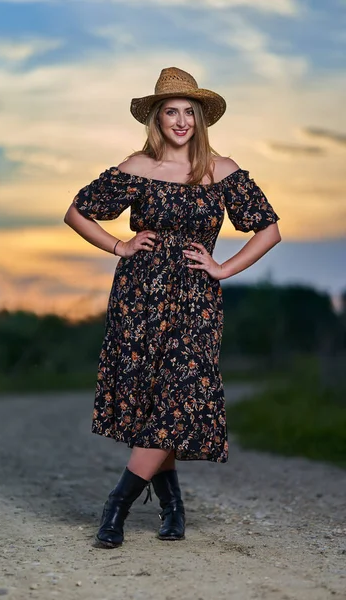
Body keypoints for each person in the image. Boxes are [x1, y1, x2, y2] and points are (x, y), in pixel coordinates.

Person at [64, 66, 281, 549]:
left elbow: (269, 230)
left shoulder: (221, 170)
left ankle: (116, 505)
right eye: (171, 113)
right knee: (152, 400)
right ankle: (173, 506)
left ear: (200, 119)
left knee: (180, 396)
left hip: (196, 299)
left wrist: (223, 268)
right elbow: (76, 211)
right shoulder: (138, 166)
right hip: (139, 296)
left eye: (189, 112)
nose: (181, 121)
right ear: (157, 120)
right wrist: (118, 246)